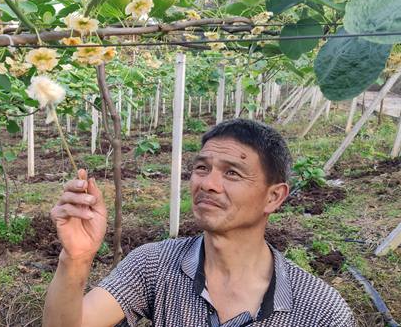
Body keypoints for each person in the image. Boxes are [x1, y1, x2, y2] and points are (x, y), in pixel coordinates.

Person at [43, 119, 355, 327]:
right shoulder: (154, 265)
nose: (208, 183)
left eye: (231, 172)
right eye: (202, 167)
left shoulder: (320, 310)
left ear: (274, 197)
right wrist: (76, 258)